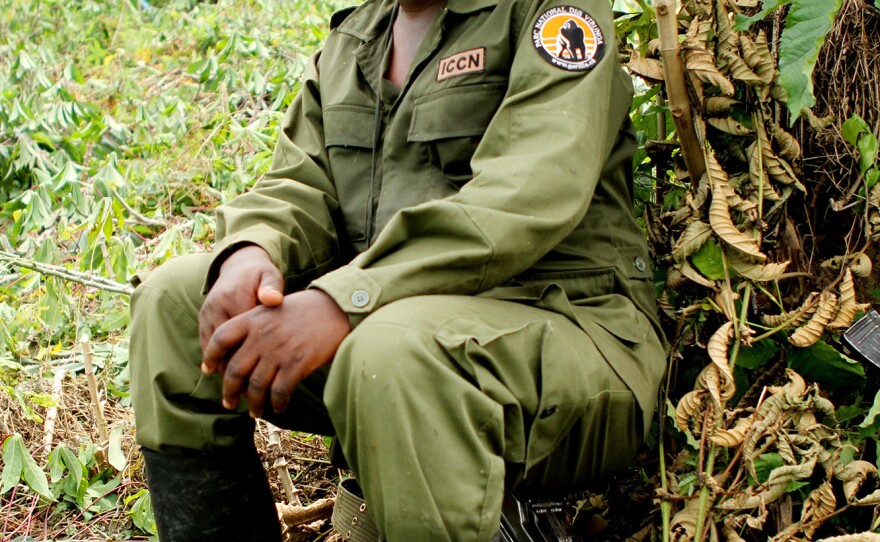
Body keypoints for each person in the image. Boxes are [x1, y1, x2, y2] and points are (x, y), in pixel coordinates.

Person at [129, 0, 666, 540]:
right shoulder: (358, 37)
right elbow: (301, 183)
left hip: (571, 331)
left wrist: (343, 301)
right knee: (174, 303)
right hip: (393, 330)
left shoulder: (546, 12)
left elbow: (531, 188)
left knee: (389, 352)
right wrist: (252, 251)